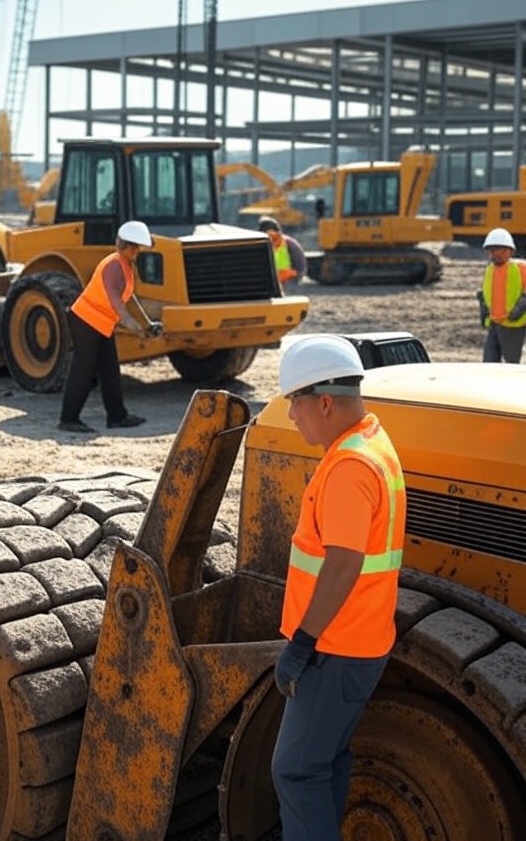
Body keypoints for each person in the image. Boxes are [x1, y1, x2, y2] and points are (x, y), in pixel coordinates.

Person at [272, 334, 406, 841]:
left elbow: (344, 563)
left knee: (295, 770)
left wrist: (302, 643)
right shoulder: (371, 441)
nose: (292, 415)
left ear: (325, 402)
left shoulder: (350, 467)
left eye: (296, 402)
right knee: (325, 762)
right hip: (360, 641)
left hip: (335, 647)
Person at [58, 220, 163, 434]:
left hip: (100, 324)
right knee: (83, 371)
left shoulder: (124, 264)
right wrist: (131, 324)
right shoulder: (114, 265)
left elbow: (129, 297)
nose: (139, 251)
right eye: (138, 248)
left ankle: (117, 417)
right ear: (131, 247)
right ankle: (68, 419)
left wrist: (147, 323)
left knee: (110, 371)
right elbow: (116, 300)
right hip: (86, 322)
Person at [478, 227, 526, 364]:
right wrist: (484, 313)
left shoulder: (521, 267)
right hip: (494, 323)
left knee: (511, 364)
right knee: (489, 362)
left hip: (513, 325)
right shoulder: (490, 269)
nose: (492, 253)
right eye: (490, 250)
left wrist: (518, 310)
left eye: (496, 249)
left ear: (509, 251)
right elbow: (486, 294)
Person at [258, 215, 306, 290]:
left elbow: (300, 266)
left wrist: (296, 276)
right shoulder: (260, 244)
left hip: (288, 281)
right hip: (270, 281)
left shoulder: (289, 244)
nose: (271, 235)